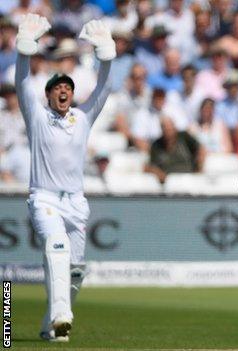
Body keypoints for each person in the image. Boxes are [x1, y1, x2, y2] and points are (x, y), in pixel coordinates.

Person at [14, 14, 115, 342]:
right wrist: (24, 51)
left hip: (76, 202)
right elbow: (21, 83)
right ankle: (61, 314)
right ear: (48, 95)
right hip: (43, 198)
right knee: (56, 247)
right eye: (57, 87)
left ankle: (50, 326)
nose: (63, 91)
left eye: (67, 88)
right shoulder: (38, 118)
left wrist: (106, 56)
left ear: (72, 94)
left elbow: (103, 87)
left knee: (74, 271)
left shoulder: (83, 118)